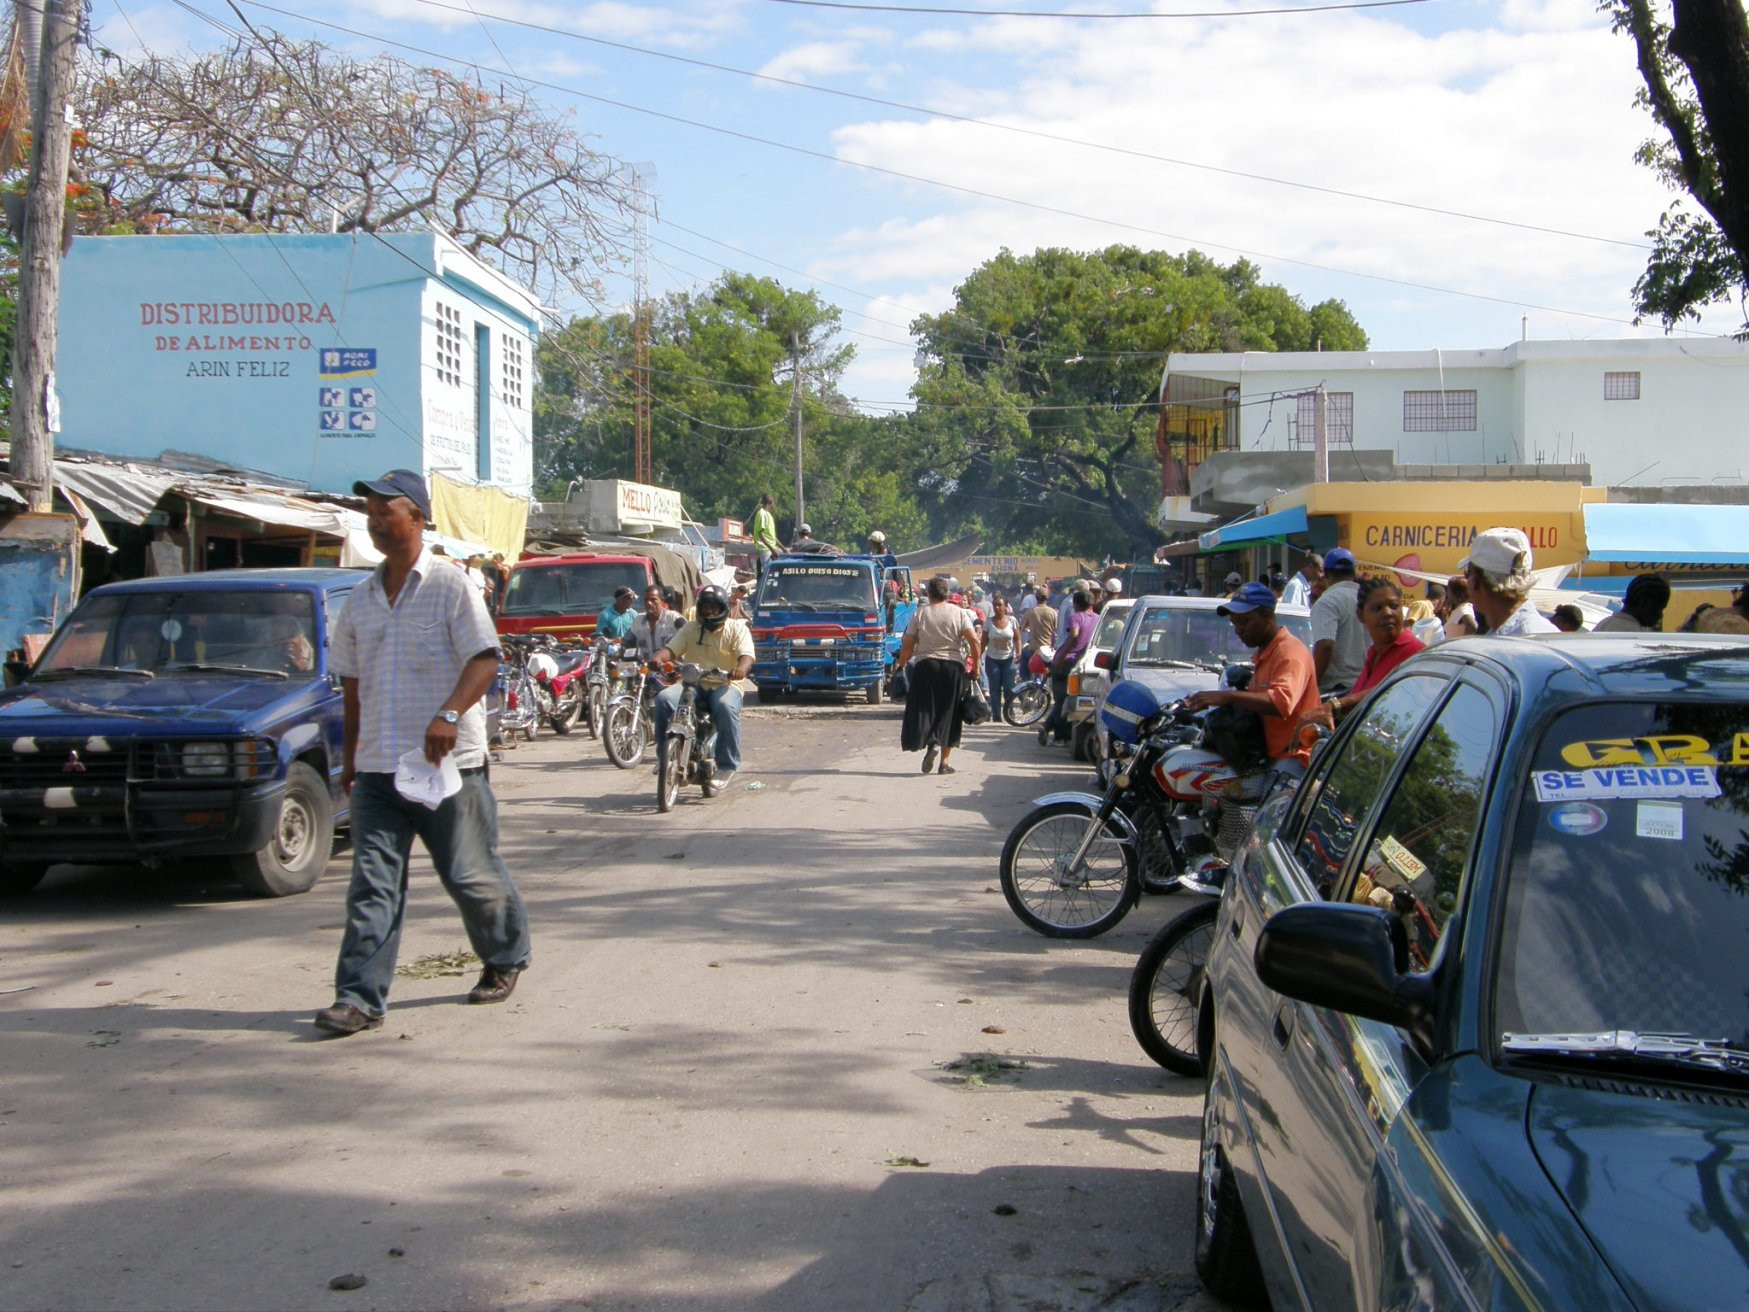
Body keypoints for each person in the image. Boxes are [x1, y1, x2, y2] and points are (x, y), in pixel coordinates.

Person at [314, 469, 531, 1037]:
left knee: (469, 873)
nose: (376, 521)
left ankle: (504, 956)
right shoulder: (359, 600)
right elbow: (353, 687)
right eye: (371, 512)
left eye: (388, 510)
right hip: (382, 769)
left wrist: (449, 713)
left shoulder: (451, 585)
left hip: (448, 766)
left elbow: (485, 660)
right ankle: (358, 998)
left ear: (418, 519)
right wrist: (354, 761)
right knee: (372, 884)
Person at [1186, 583, 1320, 773]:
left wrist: (1229, 697)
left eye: (1244, 622)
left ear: (1267, 616)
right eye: (1234, 623)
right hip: (1267, 757)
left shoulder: (1289, 651)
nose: (1238, 630)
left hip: (1291, 760)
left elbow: (1282, 703)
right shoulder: (1265, 653)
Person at [651, 585, 755, 789]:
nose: (708, 612)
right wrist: (658, 658)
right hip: (693, 684)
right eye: (705, 607)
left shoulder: (737, 628)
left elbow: (747, 656)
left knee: (725, 707)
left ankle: (727, 765)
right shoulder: (691, 628)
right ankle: (664, 756)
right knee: (663, 700)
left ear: (723, 609)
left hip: (726, 684)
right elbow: (671, 649)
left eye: (713, 608)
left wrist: (740, 669)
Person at [1299, 576, 1427, 731]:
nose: (1387, 613)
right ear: (1360, 615)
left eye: (1394, 606)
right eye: (1377, 608)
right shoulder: (1374, 653)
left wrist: (1335, 705)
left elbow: (1391, 689)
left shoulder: (1417, 654)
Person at [898, 575, 981, 774]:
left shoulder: (920, 614)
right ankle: (944, 763)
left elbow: (908, 644)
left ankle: (930, 741)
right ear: (947, 593)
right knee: (950, 712)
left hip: (926, 665)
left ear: (929, 594)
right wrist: (975, 667)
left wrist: (901, 664)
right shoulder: (960, 613)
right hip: (953, 666)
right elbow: (974, 642)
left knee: (925, 708)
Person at [1461, 527, 1558, 636]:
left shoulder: (1524, 637)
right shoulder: (1531, 629)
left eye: (1468, 573)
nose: (1466, 581)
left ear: (1477, 582)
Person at [1040, 589, 1096, 747]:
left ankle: (1058, 735)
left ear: (1076, 604)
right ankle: (1049, 728)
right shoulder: (1098, 619)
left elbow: (1074, 636)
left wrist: (1062, 656)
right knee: (1069, 700)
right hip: (1084, 664)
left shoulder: (1076, 617)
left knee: (1061, 700)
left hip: (1066, 662)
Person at [1310, 548, 1366, 695]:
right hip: (1366, 689)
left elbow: (1325, 646)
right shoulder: (1368, 599)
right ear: (1354, 573)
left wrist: (1310, 688)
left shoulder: (1327, 602)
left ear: (1326, 574)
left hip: (1337, 691)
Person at [983, 593, 1020, 722]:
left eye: (1000, 605)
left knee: (1009, 688)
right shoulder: (988, 623)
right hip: (992, 660)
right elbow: (983, 642)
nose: (997, 607)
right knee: (994, 689)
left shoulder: (1012, 621)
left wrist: (1019, 653)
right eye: (995, 605)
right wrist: (977, 659)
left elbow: (1017, 638)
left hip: (1009, 659)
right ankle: (997, 716)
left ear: (1005, 606)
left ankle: (1009, 713)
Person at [1595, 573, 1670, 633]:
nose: (1660, 615)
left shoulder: (1608, 623)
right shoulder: (1630, 632)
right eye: (1659, 609)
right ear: (1645, 603)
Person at [627, 583, 682, 655]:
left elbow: (688, 638)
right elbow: (627, 644)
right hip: (645, 665)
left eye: (653, 599)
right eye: (646, 600)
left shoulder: (674, 618)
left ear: (662, 601)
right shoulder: (637, 621)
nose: (649, 603)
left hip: (671, 665)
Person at [752, 494, 781, 581]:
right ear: (771, 502)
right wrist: (772, 549)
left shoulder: (768, 515)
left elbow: (773, 537)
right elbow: (760, 534)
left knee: (784, 558)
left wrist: (784, 548)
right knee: (767, 572)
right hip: (765, 548)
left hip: (772, 547)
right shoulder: (762, 514)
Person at [1441, 575, 1478, 639]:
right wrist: (1445, 616)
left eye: (1449, 591)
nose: (1447, 594)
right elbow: (1453, 629)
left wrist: (1462, 642)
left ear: (1456, 593)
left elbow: (1473, 626)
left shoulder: (1463, 609)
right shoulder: (1460, 608)